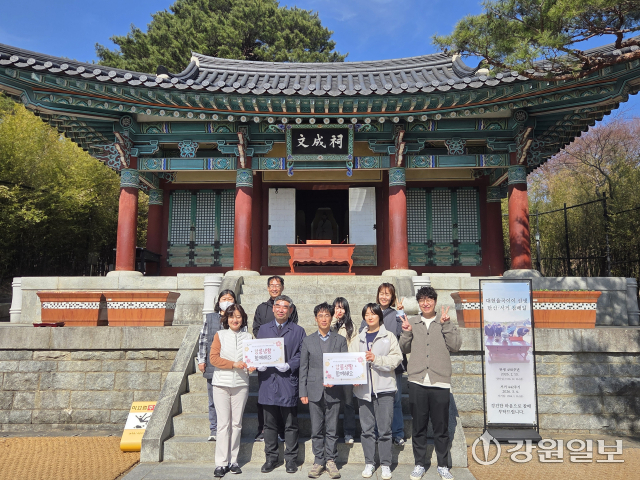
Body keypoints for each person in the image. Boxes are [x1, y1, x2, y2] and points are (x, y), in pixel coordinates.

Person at [399, 286, 462, 480]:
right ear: (418, 303)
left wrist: (446, 325)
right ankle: (419, 464)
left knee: (441, 428)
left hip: (439, 382)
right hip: (417, 381)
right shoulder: (412, 322)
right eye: (422, 300)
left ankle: (443, 465)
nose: (425, 303)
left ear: (435, 301)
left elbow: (455, 346)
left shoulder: (444, 321)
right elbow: (404, 348)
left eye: (429, 300)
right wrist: (406, 332)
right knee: (418, 427)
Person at [351, 303, 402, 480]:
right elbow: (351, 360)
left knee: (385, 430)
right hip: (363, 391)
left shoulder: (389, 336)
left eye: (373, 313)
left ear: (379, 315)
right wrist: (353, 377)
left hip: (385, 389)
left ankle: (386, 464)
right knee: (366, 430)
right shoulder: (358, 338)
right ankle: (369, 462)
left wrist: (376, 359)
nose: (370, 317)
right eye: (366, 314)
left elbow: (396, 359)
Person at [256, 295, 306, 474]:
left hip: (287, 382)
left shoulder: (298, 331)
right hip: (268, 381)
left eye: (285, 307)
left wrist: (289, 364)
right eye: (278, 306)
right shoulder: (263, 329)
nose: (281, 309)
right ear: (273, 308)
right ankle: (271, 458)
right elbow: (256, 351)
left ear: (290, 310)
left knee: (290, 424)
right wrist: (258, 363)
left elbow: (302, 354)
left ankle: (291, 460)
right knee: (269, 424)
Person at [300, 302, 348, 479]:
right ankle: (319, 460)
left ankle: (331, 460)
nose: (324, 319)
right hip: (313, 390)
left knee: (332, 428)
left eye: (327, 315)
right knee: (316, 428)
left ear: (331, 317)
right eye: (320, 316)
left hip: (334, 391)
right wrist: (302, 392)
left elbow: (344, 366)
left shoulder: (340, 340)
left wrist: (336, 380)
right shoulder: (308, 340)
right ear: (315, 319)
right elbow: (303, 368)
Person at [252, 275, 299, 442]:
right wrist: (267, 347)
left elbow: (293, 328)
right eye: (271, 285)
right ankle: (263, 430)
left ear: (282, 287)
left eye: (277, 285)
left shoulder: (290, 307)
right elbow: (256, 329)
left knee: (283, 400)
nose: (274, 288)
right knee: (266, 399)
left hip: (284, 356)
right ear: (267, 288)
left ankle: (281, 431)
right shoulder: (261, 308)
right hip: (266, 357)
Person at [359, 283, 405, 446]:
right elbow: (361, 335)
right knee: (374, 402)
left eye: (387, 294)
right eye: (381, 293)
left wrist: (400, 313)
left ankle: (398, 433)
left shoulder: (395, 313)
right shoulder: (370, 312)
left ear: (392, 297)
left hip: (391, 365)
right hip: (371, 366)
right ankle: (378, 432)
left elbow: (401, 332)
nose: (384, 297)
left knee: (396, 401)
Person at [209, 304, 253, 477]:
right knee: (223, 424)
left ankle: (233, 461)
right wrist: (233, 364)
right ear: (226, 319)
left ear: (243, 319)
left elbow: (251, 360)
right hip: (221, 384)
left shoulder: (248, 337)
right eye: (232, 316)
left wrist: (252, 366)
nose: (235, 320)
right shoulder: (220, 335)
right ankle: (221, 463)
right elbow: (213, 359)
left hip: (241, 384)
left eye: (238, 316)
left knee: (236, 424)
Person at [198, 289, 237, 441]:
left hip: (231, 364)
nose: (227, 301)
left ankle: (228, 428)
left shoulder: (237, 317)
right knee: (213, 399)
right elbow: (203, 339)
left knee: (230, 400)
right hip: (212, 363)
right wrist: (201, 360)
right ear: (218, 301)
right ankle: (214, 429)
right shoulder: (210, 318)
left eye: (230, 298)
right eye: (224, 298)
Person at [331, 297, 357, 444]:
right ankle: (332, 432)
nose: (339, 310)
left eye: (342, 308)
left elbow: (354, 347)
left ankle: (349, 432)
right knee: (332, 403)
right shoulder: (329, 323)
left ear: (346, 309)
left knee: (348, 403)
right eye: (336, 307)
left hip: (346, 368)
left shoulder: (351, 326)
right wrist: (333, 319)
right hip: (331, 368)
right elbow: (327, 332)